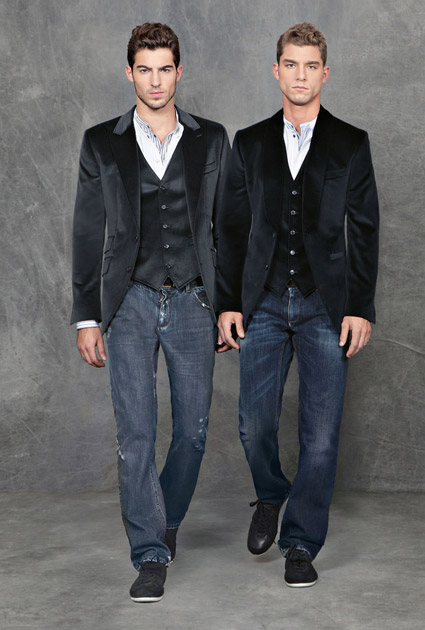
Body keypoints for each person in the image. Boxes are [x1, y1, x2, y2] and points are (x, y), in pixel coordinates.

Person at [216, 22, 379, 587]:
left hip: (325, 307)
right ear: (277, 70)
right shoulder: (249, 142)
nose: (301, 75)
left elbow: (364, 230)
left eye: (311, 66)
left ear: (324, 73)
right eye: (291, 64)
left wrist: (360, 306)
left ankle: (301, 542)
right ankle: (270, 493)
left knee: (322, 436)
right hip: (261, 303)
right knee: (253, 423)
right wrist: (228, 303)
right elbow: (230, 229)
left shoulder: (351, 143)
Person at [71, 22, 229, 602]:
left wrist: (229, 305)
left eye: (165, 69)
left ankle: (163, 518)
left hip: (194, 298)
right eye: (145, 70)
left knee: (192, 433)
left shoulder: (212, 139)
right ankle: (150, 553)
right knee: (135, 433)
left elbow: (228, 227)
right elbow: (88, 232)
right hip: (129, 301)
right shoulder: (101, 142)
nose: (156, 81)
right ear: (130, 73)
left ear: (179, 72)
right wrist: (87, 317)